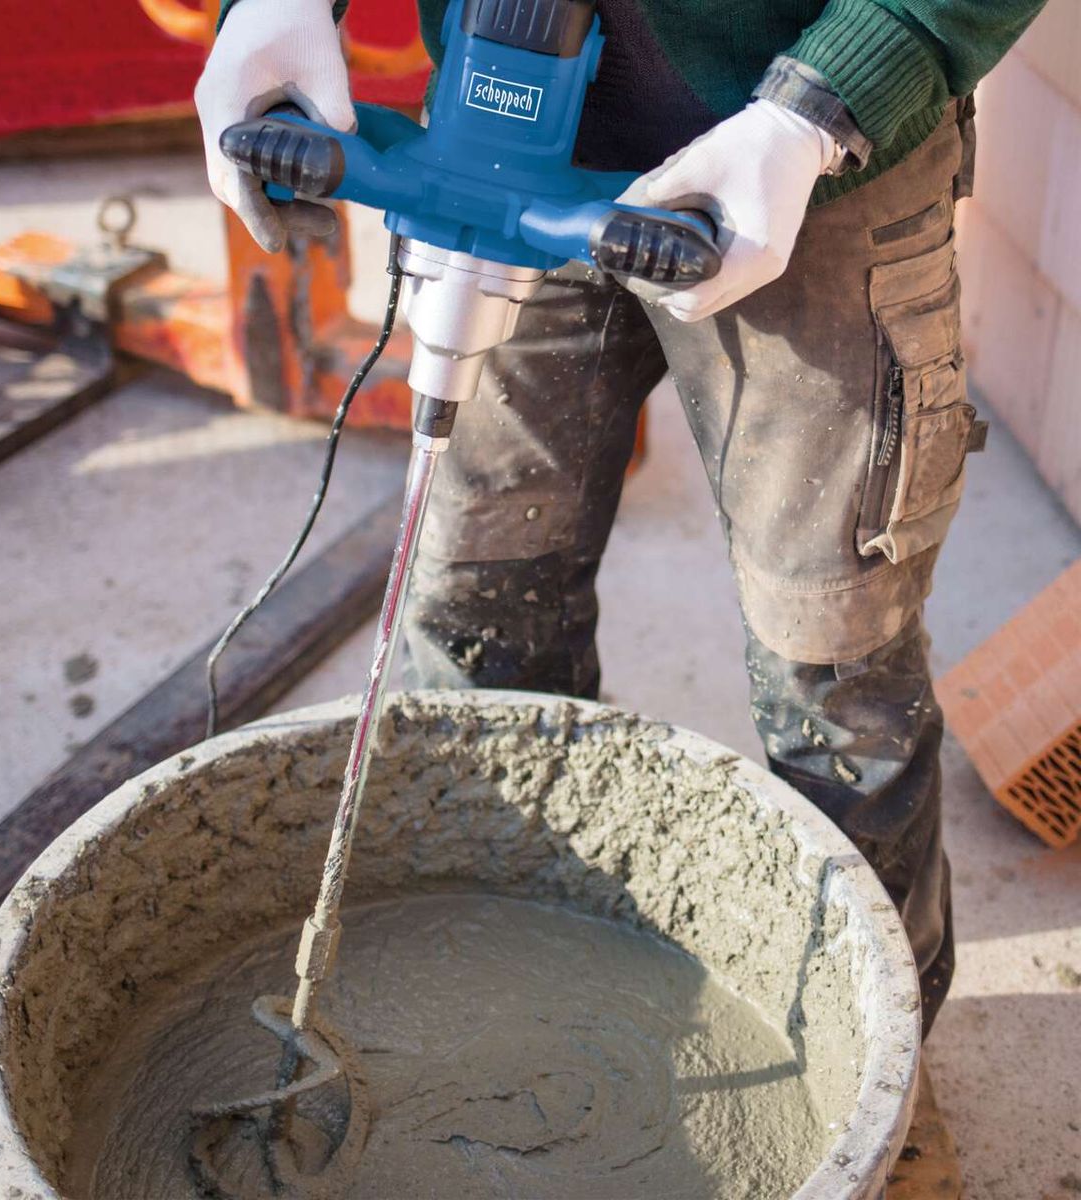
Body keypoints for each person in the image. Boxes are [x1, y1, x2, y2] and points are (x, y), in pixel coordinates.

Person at [196, 0, 1047, 1033]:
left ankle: (874, 1074)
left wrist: (818, 110)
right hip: (497, 129)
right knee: (479, 607)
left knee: (833, 661)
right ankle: (505, 995)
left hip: (816, 171)